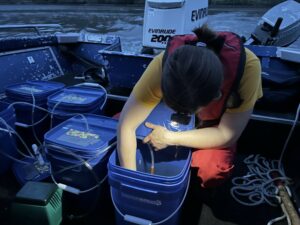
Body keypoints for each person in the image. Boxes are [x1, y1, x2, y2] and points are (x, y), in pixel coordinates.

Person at [117, 25, 262, 188]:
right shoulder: (162, 65)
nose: (182, 113)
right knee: (115, 125)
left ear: (216, 96)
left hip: (212, 126)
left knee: (212, 169)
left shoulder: (247, 68)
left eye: (188, 110)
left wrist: (171, 138)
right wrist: (132, 182)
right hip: (163, 116)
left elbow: (227, 134)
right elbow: (126, 126)